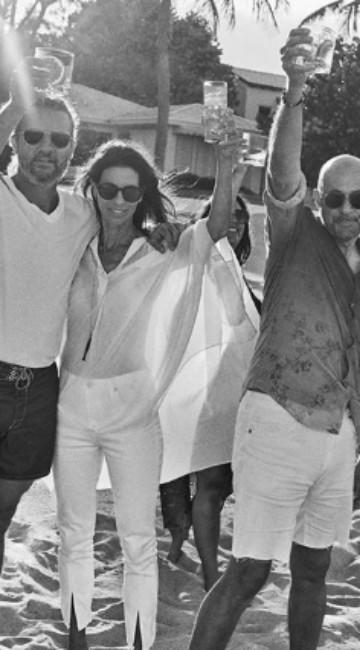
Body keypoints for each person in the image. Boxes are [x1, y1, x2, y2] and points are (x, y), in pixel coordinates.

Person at [189, 26, 360, 649]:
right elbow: (282, 171)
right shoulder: (295, 234)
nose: (347, 208)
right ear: (320, 200)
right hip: (276, 418)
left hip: (338, 435)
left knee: (313, 571)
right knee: (249, 571)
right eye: (336, 198)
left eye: (359, 199)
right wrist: (296, 89)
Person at [52, 132, 258, 650]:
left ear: (143, 194)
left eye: (131, 191)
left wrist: (226, 165)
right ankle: (77, 640)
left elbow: (214, 229)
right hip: (70, 406)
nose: (118, 200)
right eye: (108, 189)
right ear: (93, 189)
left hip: (133, 412)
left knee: (138, 540)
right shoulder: (73, 245)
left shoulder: (161, 249)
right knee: (73, 533)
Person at [0, 67, 175, 576]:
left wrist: (158, 227)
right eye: (33, 135)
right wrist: (18, 99)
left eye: (60, 140)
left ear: (73, 148)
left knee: (4, 513)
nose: (46, 148)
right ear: (14, 140)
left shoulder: (83, 213)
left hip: (40, 387)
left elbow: (124, 212)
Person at [158, 157, 261, 590]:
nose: (234, 222)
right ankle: (208, 569)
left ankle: (189, 552)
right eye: (226, 214)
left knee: (212, 485)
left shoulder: (245, 278)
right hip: (199, 394)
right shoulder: (195, 262)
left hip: (236, 396)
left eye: (241, 216)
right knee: (207, 485)